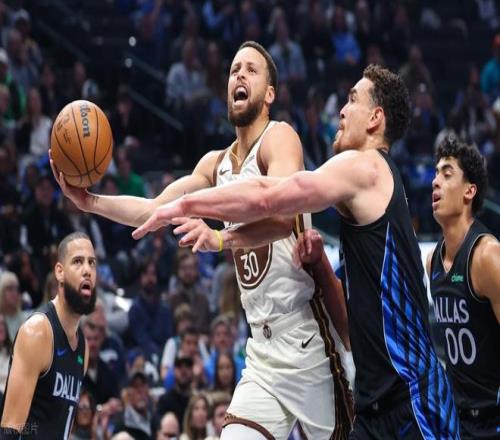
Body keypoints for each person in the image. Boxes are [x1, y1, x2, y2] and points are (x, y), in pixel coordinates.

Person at [134, 64, 461, 439]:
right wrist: (319, 264)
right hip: (376, 406)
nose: (341, 110)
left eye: (352, 100)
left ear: (375, 118)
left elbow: (269, 196)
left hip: (415, 403)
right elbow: (351, 333)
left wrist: (186, 205)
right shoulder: (365, 207)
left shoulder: (367, 166)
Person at [51, 40, 353, 439]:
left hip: (309, 340)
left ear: (270, 94)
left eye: (251, 70)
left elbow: (282, 218)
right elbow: (152, 209)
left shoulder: (280, 138)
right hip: (263, 353)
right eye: (234, 70)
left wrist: (219, 238)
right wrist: (89, 202)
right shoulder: (215, 164)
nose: (239, 75)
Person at [427, 137, 500, 439]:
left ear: (470, 191)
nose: (435, 182)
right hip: (456, 420)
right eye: (435, 174)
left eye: (447, 174)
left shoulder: (487, 256)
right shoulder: (432, 261)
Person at [0, 232, 96, 438]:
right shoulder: (38, 332)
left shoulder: (83, 347)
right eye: (78, 261)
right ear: (59, 272)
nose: (87, 270)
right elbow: (10, 428)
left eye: (92, 263)